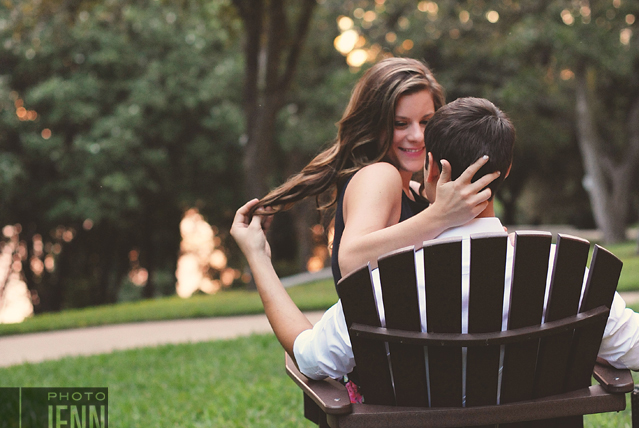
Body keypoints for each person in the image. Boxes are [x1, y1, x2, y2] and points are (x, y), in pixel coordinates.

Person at [231, 98, 639, 382]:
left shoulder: (389, 285)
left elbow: (309, 358)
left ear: (428, 166)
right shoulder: (562, 274)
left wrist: (259, 258)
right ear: (507, 169)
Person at [251, 57, 500, 284]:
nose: (417, 135)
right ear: (373, 125)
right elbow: (351, 259)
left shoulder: (416, 192)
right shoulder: (380, 175)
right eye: (400, 124)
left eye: (426, 121)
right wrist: (440, 216)